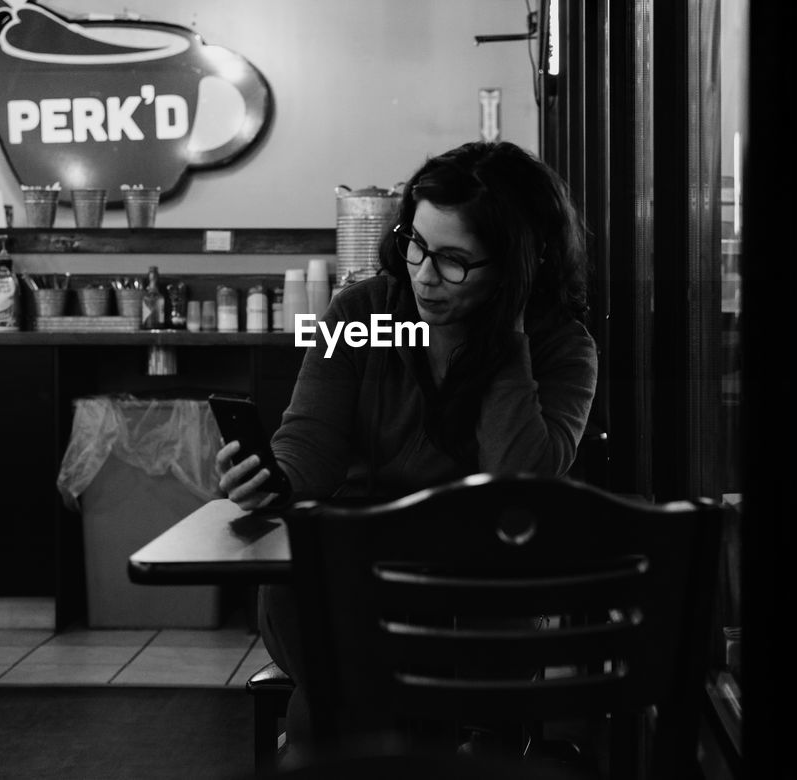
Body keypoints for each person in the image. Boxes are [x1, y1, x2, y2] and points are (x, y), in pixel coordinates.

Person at [216, 140, 599, 751]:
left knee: (336, 711)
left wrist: (502, 334)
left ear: (520, 266)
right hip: (356, 579)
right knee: (328, 646)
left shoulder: (559, 348)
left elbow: (517, 484)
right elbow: (308, 448)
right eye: (414, 245)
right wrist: (268, 479)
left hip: (485, 597)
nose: (423, 275)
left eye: (453, 260)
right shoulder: (364, 315)